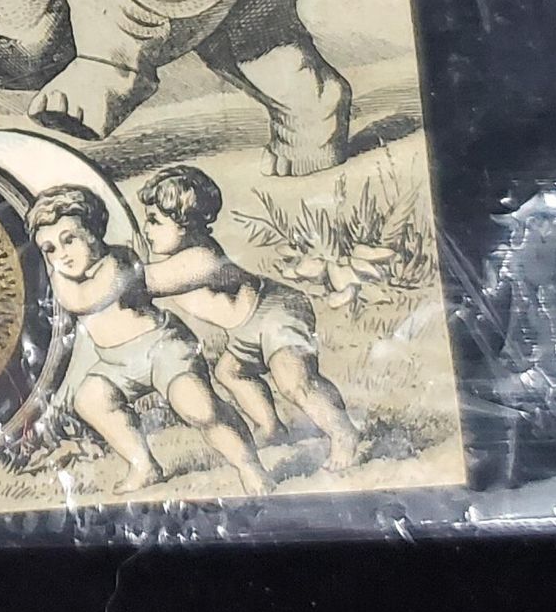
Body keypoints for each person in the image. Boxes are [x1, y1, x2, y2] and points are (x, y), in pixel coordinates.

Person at [27, 186, 273, 498]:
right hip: (117, 362)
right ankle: (143, 465)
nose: (61, 255)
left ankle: (248, 464)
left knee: (198, 407)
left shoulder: (117, 262)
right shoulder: (67, 278)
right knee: (90, 400)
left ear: (94, 231)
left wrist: (57, 276)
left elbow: (84, 300)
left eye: (69, 240)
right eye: (49, 249)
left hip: (162, 348)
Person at [131, 165, 362, 473]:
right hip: (246, 328)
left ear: (186, 225)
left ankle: (343, 432)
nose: (146, 230)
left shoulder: (201, 259)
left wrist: (108, 269)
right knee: (231, 372)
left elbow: (146, 282)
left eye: (154, 221)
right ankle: (271, 428)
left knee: (294, 381)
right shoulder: (176, 255)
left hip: (275, 310)